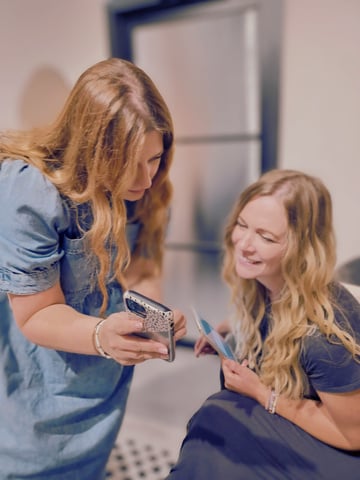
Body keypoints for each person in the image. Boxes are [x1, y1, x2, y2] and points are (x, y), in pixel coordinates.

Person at [0, 57, 186, 479]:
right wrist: (102, 335)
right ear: (90, 149)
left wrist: (150, 316)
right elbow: (35, 313)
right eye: (127, 163)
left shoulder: (152, 190)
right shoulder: (31, 190)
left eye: (154, 158)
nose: (145, 178)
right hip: (42, 359)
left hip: (104, 364)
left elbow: (139, 268)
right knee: (29, 459)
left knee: (88, 459)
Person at [166, 169, 360, 480]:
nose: (244, 244)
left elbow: (353, 436)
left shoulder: (323, 337)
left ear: (301, 248)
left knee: (218, 415)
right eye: (242, 225)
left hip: (338, 456)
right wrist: (232, 327)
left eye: (265, 237)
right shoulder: (266, 285)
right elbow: (275, 315)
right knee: (216, 422)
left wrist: (261, 393)